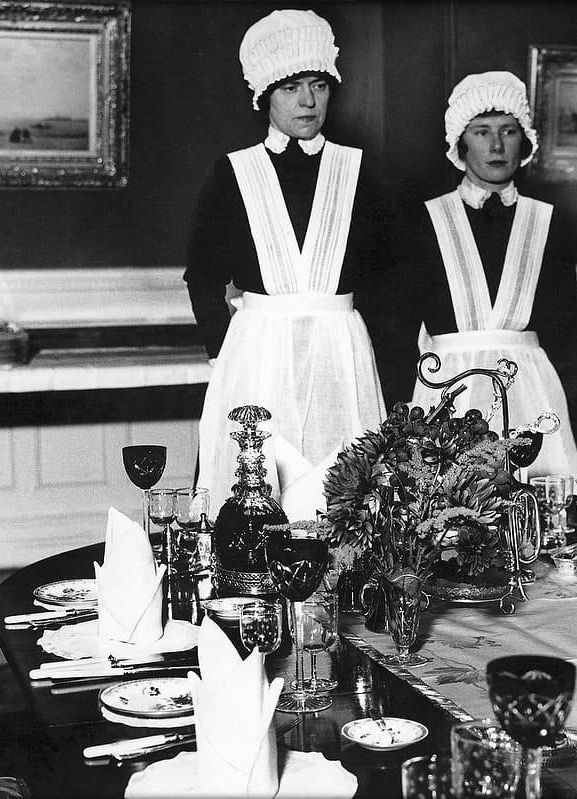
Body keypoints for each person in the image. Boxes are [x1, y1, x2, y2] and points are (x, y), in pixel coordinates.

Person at [185, 9, 389, 517]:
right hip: (259, 354)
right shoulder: (234, 173)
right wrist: (227, 357)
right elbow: (202, 276)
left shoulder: (359, 170)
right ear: (264, 95)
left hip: (341, 354)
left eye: (318, 85)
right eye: (291, 87)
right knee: (253, 498)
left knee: (348, 500)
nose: (307, 101)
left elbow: (388, 278)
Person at [405, 71, 577, 479]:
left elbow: (563, 331)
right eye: (482, 132)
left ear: (525, 141)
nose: (497, 145)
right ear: (461, 142)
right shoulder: (426, 219)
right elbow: (402, 324)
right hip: (448, 391)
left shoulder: (548, 221)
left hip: (530, 394)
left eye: (508, 131)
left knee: (536, 502)